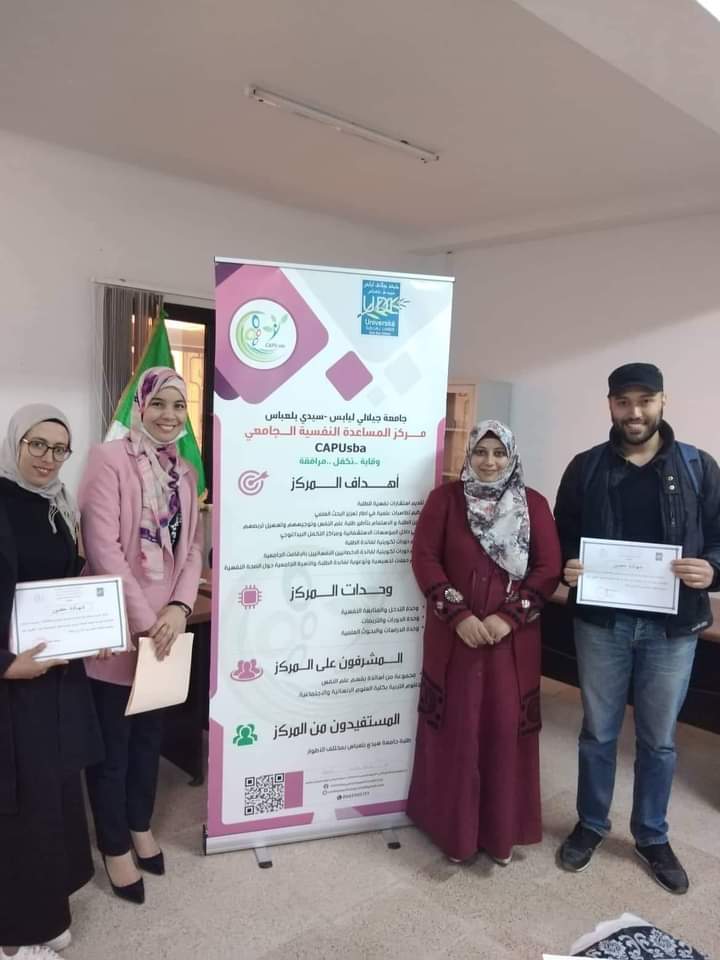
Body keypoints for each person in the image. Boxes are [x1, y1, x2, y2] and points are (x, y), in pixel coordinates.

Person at [554, 362, 720, 894]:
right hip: (602, 623)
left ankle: (651, 835)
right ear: (610, 405)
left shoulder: (698, 466)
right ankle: (591, 824)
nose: (634, 412)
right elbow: (560, 535)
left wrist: (712, 569)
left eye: (644, 401)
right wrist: (567, 564)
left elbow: (719, 537)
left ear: (663, 402)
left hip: (673, 629)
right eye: (623, 401)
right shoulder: (586, 467)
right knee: (598, 733)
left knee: (659, 740)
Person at [407, 420, 562, 864]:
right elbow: (424, 558)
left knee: (502, 731)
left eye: (499, 453)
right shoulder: (445, 500)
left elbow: (548, 569)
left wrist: (508, 618)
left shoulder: (533, 504)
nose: (489, 462)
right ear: (469, 454)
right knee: (456, 731)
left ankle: (499, 834)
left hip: (510, 644)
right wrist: (457, 614)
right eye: (481, 452)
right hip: (455, 639)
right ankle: (453, 833)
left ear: (511, 456)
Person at [78, 367, 202, 905]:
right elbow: (102, 548)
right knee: (113, 747)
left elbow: (192, 547)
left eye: (179, 405)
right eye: (159, 404)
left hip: (165, 632)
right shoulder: (108, 460)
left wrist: (179, 607)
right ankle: (113, 845)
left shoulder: (184, 471)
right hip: (119, 630)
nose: (169, 415)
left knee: (149, 738)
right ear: (141, 406)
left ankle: (139, 824)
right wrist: (148, 620)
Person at [0, 405, 104, 959]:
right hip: (14, 686)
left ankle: (46, 911)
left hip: (54, 680)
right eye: (36, 444)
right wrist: (4, 663)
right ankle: (13, 936)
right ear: (15, 443)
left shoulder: (56, 504)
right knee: (23, 807)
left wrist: (96, 629)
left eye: (59, 449)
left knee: (56, 796)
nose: (47, 457)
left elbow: (64, 587)